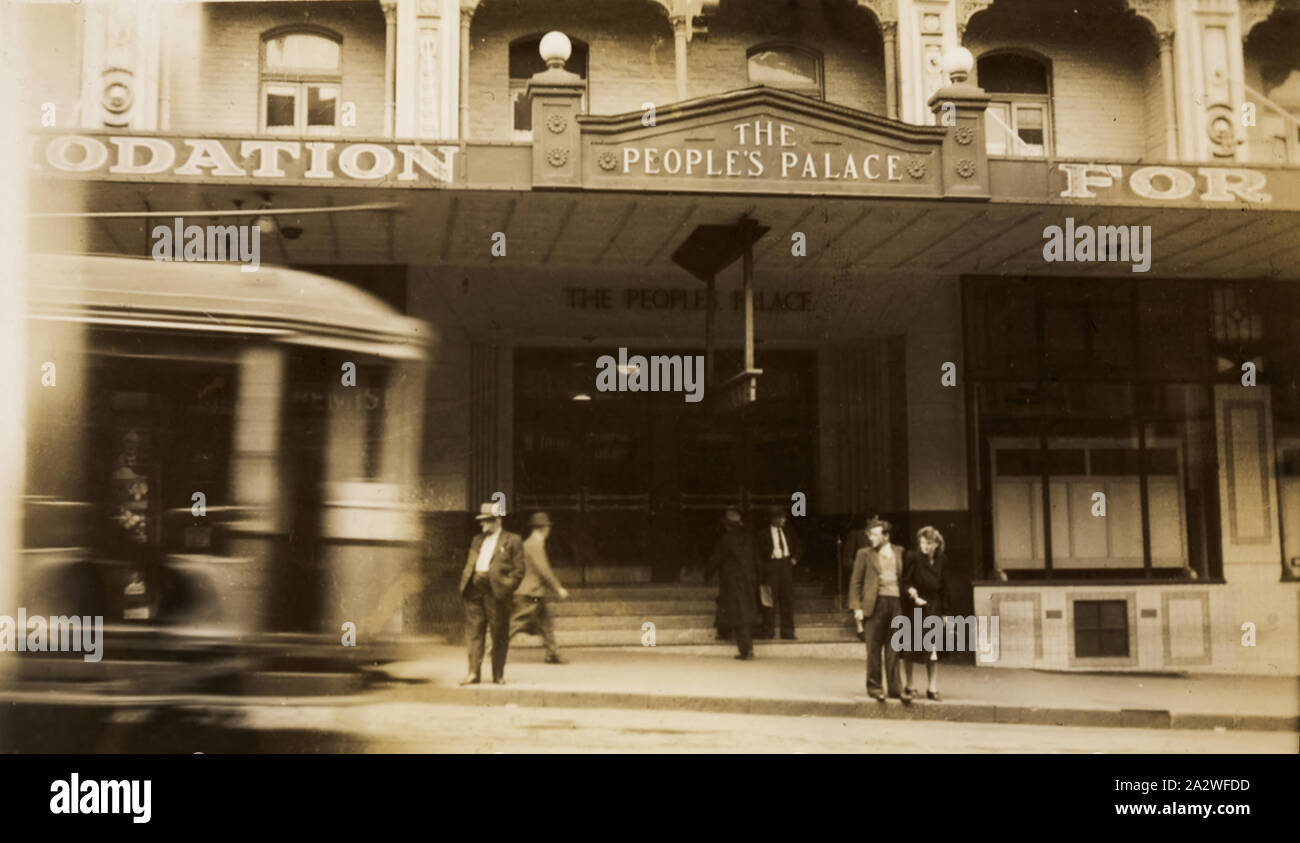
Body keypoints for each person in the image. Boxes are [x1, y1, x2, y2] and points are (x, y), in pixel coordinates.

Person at [458, 501, 526, 686]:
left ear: (497, 520)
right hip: (474, 590)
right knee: (474, 633)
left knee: (499, 634)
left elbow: (519, 571)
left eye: (485, 521)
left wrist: (506, 588)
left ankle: (498, 674)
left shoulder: (512, 540)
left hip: (496, 592)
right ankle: (473, 673)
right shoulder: (477, 539)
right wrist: (467, 581)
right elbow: (471, 563)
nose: (482, 524)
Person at [849, 518, 912, 703]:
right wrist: (857, 608)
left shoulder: (899, 552)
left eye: (875, 534)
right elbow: (855, 582)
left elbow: (905, 579)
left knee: (894, 647)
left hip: (896, 604)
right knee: (874, 649)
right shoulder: (864, 554)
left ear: (886, 536)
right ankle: (875, 688)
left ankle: (895, 689)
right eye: (870, 534)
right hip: (873, 605)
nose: (871, 538)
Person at [509, 512, 570, 664]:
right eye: (547, 527)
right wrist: (558, 588)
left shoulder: (531, 544)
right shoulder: (533, 545)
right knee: (515, 625)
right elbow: (544, 570)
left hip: (532, 592)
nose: (549, 530)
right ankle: (492, 651)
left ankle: (553, 654)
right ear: (543, 528)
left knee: (546, 624)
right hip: (529, 593)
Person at [902, 526, 947, 700]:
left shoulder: (942, 559)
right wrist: (912, 593)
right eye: (922, 542)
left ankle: (932, 688)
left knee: (933, 648)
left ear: (936, 544)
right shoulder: (913, 557)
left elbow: (944, 587)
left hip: (934, 606)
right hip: (916, 607)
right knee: (911, 646)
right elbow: (905, 582)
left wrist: (945, 613)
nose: (925, 546)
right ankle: (910, 685)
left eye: (928, 543)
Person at [709, 509, 761, 660]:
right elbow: (757, 559)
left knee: (738, 614)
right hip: (748, 580)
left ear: (727, 526)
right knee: (744, 612)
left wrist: (707, 574)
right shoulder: (749, 538)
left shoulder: (727, 539)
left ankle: (745, 650)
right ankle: (746, 647)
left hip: (732, 581)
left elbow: (716, 558)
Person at [756, 504, 800, 640]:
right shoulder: (762, 534)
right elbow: (758, 553)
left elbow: (798, 546)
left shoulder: (789, 532)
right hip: (771, 567)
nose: (784, 520)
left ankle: (788, 632)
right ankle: (768, 632)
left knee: (787, 600)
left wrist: (795, 558)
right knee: (769, 601)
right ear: (773, 519)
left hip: (786, 566)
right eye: (781, 518)